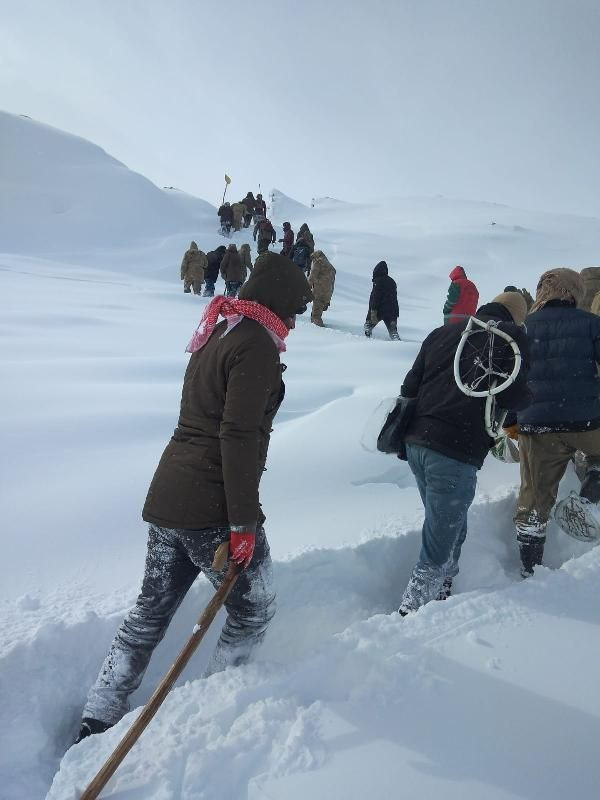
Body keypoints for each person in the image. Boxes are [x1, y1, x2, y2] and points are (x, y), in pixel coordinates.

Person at [75, 253, 313, 742]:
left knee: (150, 610)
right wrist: (243, 523)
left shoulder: (220, 330)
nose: (294, 321)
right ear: (275, 301)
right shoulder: (254, 345)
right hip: (211, 507)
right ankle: (210, 715)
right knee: (254, 607)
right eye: (293, 309)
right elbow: (238, 433)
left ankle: (97, 717)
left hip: (169, 497)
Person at [398, 291, 531, 614]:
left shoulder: (444, 332)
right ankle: (410, 614)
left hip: (416, 443)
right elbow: (516, 397)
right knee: (439, 539)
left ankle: (443, 591)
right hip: (454, 450)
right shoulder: (509, 339)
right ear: (516, 317)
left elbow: (409, 388)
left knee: (447, 523)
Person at [511, 268, 600, 577]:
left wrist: (513, 420)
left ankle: (529, 568)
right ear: (576, 292)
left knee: (534, 498)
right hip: (587, 421)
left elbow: (512, 379)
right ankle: (591, 489)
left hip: (537, 425)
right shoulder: (592, 324)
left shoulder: (523, 328)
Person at [364, 261, 400, 340]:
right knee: (393, 332)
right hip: (392, 311)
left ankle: (366, 341)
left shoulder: (378, 281)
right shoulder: (392, 281)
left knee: (368, 326)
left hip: (379, 310)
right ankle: (399, 345)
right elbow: (394, 298)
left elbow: (375, 297)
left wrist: (373, 310)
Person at [308, 250, 336, 327]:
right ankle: (315, 322)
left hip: (319, 289)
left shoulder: (318, 262)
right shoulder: (330, 266)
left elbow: (313, 275)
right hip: (328, 291)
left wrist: (307, 286)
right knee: (319, 308)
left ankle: (317, 328)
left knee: (316, 313)